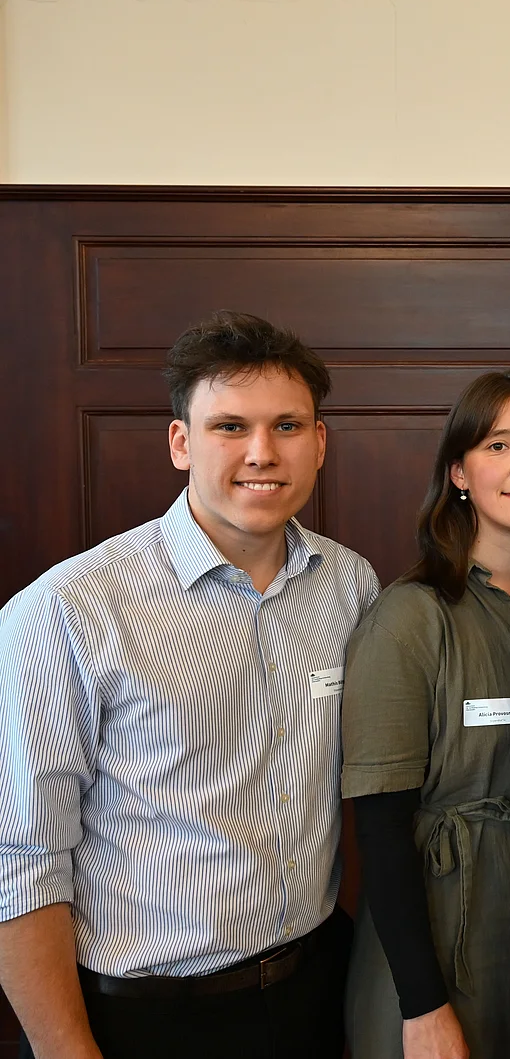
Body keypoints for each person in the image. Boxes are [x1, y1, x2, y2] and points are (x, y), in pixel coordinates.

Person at [0, 312, 379, 1059]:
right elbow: (19, 860)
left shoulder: (351, 585)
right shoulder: (69, 610)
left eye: (288, 426)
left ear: (320, 442)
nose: (262, 453)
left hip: (317, 989)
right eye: (229, 426)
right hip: (149, 1018)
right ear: (181, 442)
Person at [341, 370, 510, 1059]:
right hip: (441, 954)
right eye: (498, 445)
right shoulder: (410, 617)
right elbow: (381, 831)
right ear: (458, 471)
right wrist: (422, 1004)